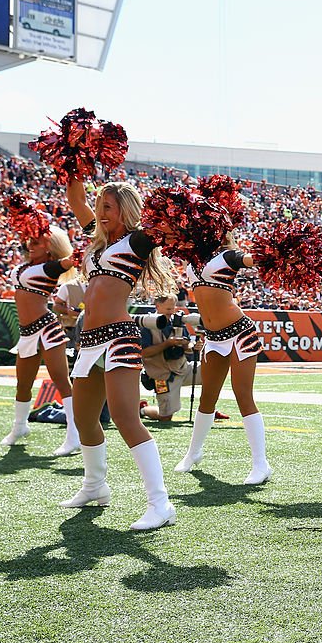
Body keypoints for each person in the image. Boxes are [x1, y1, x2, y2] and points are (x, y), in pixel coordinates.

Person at [59, 178, 177, 530]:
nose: (100, 213)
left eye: (107, 207)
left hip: (119, 337)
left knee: (127, 418)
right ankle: (95, 486)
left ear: (124, 210)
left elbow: (170, 226)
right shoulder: (99, 241)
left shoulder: (136, 241)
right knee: (83, 419)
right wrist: (75, 160)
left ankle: (161, 503)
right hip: (89, 339)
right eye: (99, 207)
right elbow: (76, 198)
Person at [174, 233, 272, 485]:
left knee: (243, 395)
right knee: (208, 397)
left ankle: (261, 464)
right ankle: (193, 453)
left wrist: (275, 254)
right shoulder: (192, 260)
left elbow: (251, 259)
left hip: (240, 333)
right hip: (214, 337)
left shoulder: (228, 256)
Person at [0, 227, 81, 457]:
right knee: (22, 384)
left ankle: (74, 435)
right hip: (26, 332)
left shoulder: (50, 267)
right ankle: (19, 426)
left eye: (37, 241)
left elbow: (71, 260)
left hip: (47, 329)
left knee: (61, 380)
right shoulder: (26, 266)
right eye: (29, 241)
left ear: (50, 246)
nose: (30, 245)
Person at [138, 294, 190, 422]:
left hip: (182, 368)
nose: (172, 312)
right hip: (161, 374)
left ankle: (208, 410)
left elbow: (188, 344)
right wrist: (167, 344)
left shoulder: (178, 320)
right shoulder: (147, 323)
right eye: (168, 309)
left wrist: (191, 346)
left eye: (173, 308)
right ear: (158, 306)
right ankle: (142, 410)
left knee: (211, 374)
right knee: (165, 417)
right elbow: (143, 353)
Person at [53, 276, 86, 346]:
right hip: (71, 330)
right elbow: (56, 305)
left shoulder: (102, 286)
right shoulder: (68, 286)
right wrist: (68, 311)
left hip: (94, 330)